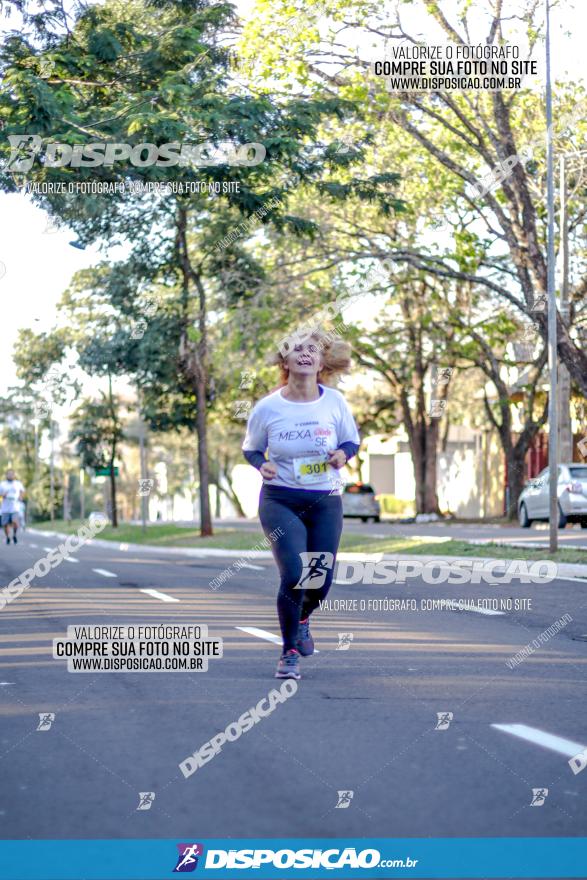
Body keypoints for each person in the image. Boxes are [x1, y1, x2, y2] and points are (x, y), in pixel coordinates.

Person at [242, 329, 360, 680]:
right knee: (294, 574)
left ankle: (304, 617)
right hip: (281, 498)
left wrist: (343, 454)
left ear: (323, 361)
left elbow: (351, 440)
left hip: (325, 499)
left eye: (312, 350)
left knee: (319, 581)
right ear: (285, 360)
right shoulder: (268, 407)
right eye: (296, 350)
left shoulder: (335, 402)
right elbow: (251, 447)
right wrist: (258, 463)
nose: (304, 354)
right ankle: (288, 650)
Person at [0, 469, 25, 545]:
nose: (10, 475)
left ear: (14, 475)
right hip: (5, 508)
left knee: (15, 522)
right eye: (9, 474)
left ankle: (14, 535)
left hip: (15, 508)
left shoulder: (18, 483)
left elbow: (22, 491)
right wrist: (2, 495)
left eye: (12, 474)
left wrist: (21, 497)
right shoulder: (2, 484)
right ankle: (8, 537)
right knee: (5, 524)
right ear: (6, 475)